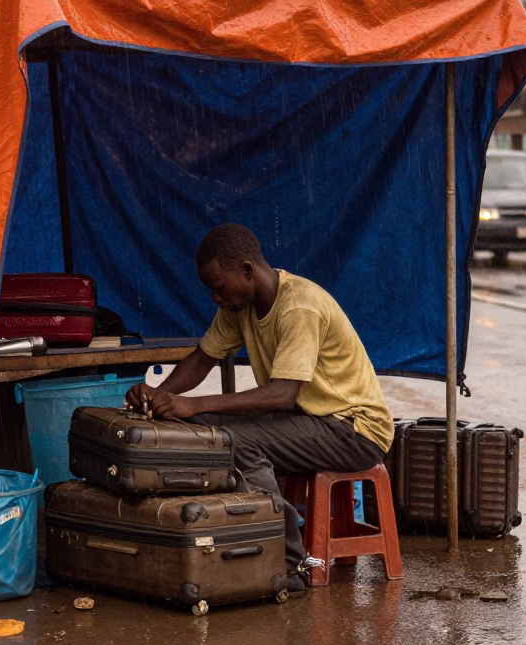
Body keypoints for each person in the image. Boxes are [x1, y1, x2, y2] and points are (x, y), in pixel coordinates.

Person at [125, 223, 393, 592]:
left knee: (232, 441)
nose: (215, 298)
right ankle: (238, 541)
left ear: (247, 271)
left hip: (355, 430)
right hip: (309, 418)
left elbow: (282, 395)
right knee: (201, 428)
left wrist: (192, 402)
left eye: (219, 287)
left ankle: (288, 563)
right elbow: (202, 360)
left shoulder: (298, 306)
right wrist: (159, 397)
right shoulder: (240, 306)